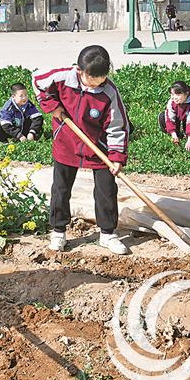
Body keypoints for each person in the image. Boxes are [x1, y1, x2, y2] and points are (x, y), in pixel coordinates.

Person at [33, 45, 130, 256]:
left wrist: (116, 157)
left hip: (99, 147)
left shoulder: (109, 92)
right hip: (66, 142)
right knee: (61, 188)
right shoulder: (62, 78)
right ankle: (58, 231)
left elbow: (117, 126)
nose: (97, 84)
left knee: (106, 189)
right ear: (79, 70)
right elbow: (37, 81)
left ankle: (107, 233)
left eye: (101, 79)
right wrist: (53, 106)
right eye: (91, 79)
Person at [159, 81, 190, 152]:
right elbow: (169, 118)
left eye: (178, 94)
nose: (174, 97)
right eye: (172, 94)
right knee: (162, 115)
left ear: (186, 94)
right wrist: (174, 135)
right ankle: (175, 135)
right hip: (179, 120)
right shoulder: (171, 102)